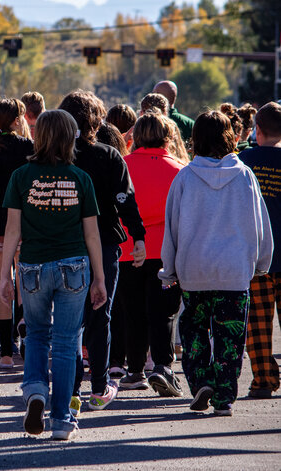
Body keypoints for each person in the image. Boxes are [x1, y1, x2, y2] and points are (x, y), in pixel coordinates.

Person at [0, 109, 106, 441]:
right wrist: (99, 279)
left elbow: (12, 231)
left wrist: (5, 276)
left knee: (36, 335)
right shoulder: (80, 178)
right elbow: (92, 235)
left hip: (31, 266)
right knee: (64, 342)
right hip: (73, 266)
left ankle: (35, 391)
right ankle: (61, 419)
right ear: (70, 138)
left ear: (39, 137)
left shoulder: (21, 176)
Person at [160, 110, 272, 416]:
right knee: (230, 337)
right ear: (230, 137)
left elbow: (172, 228)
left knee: (194, 330)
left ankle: (202, 382)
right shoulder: (245, 176)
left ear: (195, 139)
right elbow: (259, 224)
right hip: (234, 272)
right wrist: (262, 264)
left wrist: (168, 269)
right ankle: (224, 397)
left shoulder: (184, 177)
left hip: (193, 270)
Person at [58, 91, 146, 413]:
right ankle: (98, 387)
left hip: (62, 243)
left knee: (68, 320)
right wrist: (138, 236)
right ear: (97, 120)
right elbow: (125, 200)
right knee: (100, 315)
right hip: (106, 245)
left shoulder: (56, 157)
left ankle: (68, 389)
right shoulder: (109, 156)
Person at [111, 112, 185, 396]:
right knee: (163, 312)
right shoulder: (179, 169)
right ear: (167, 137)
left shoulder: (123, 166)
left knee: (133, 312)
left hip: (128, 250)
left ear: (136, 136)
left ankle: (135, 370)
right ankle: (163, 367)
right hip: (165, 250)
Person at [0, 99, 34, 368]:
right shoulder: (28, 148)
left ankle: (6, 353)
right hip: (25, 220)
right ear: (16, 120)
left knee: (3, 282)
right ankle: (24, 328)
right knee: (24, 280)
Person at [236, 102, 281, 399]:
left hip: (257, 256)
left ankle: (263, 380)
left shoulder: (243, 162)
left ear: (257, 130)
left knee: (258, 323)